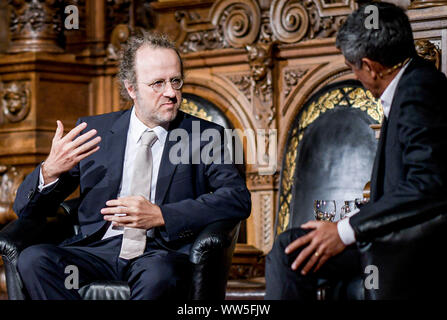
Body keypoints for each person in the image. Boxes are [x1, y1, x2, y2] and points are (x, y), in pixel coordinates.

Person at [13, 31, 251, 300]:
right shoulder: (95, 132)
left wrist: (162, 215)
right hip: (98, 250)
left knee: (159, 273)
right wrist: (50, 170)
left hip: (160, 253)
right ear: (131, 89)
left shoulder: (204, 136)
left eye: (176, 81)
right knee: (35, 260)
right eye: (158, 84)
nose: (171, 93)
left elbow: (236, 199)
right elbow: (24, 209)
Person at [265, 2, 447, 300]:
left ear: (370, 67)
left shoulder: (418, 91)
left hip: (411, 247)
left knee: (289, 251)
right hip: (397, 236)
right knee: (297, 247)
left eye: (353, 68)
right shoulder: (416, 81)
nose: (358, 78)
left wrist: (344, 231)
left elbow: (426, 186)